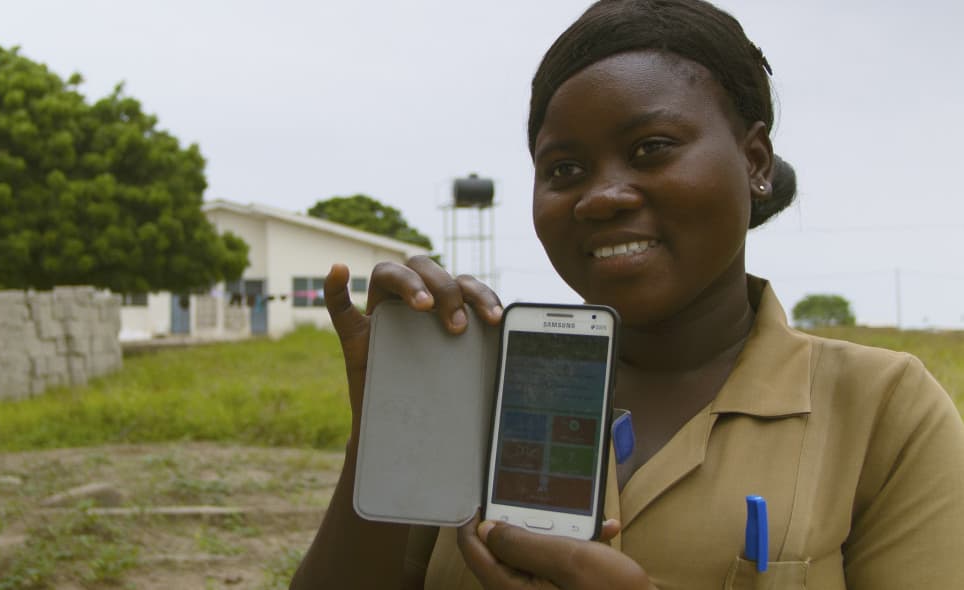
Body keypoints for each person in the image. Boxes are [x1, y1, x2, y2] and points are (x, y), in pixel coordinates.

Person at [290, 0, 964, 588]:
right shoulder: (477, 391)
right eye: (564, 169)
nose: (601, 196)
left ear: (754, 162)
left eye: (651, 148)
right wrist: (386, 429)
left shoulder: (883, 411)